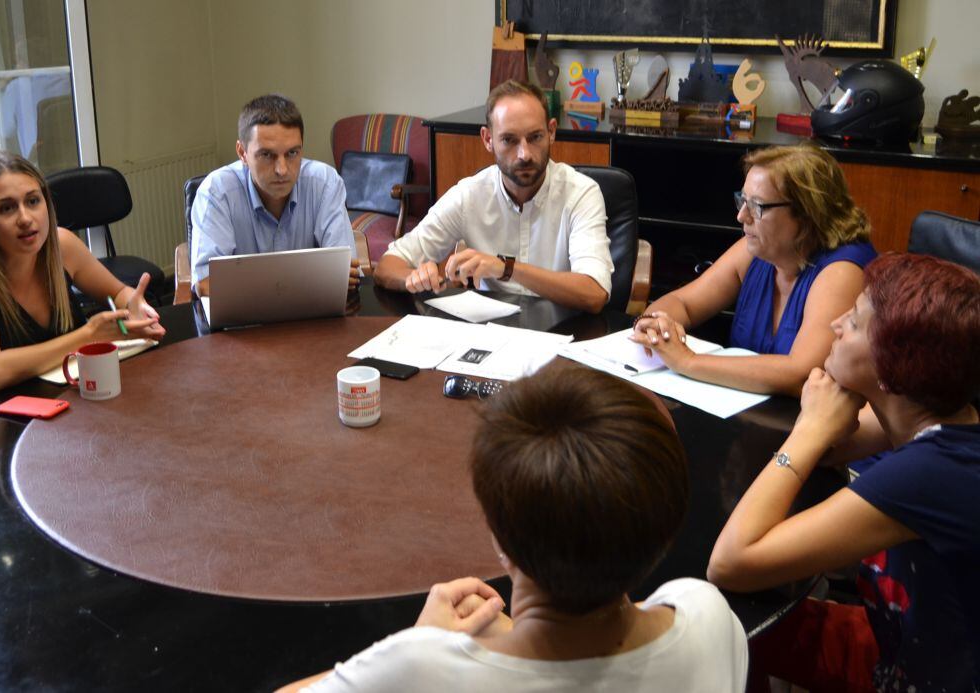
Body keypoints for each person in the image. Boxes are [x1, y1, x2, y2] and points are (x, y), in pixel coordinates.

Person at [280, 364, 747, 692]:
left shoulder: (418, 670)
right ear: (666, 528)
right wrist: (514, 632)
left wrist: (421, 640)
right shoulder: (709, 615)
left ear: (499, 539)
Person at [708, 253, 980, 691]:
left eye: (853, 322)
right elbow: (830, 452)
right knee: (730, 626)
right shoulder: (939, 414)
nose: (835, 324)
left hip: (924, 671)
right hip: (908, 633)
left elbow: (731, 562)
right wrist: (819, 427)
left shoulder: (930, 473)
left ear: (894, 371)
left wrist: (811, 428)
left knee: (722, 622)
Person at [631, 144, 876, 395]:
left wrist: (687, 361)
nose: (741, 216)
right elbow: (683, 302)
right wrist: (655, 324)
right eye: (742, 200)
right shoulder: (757, 251)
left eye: (757, 206)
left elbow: (801, 373)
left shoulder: (842, 271)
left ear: (807, 213)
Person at [374, 80, 614, 314]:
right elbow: (388, 265)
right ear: (488, 139)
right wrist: (413, 277)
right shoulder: (469, 195)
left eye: (535, 137)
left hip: (564, 332)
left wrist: (506, 268)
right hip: (492, 334)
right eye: (509, 140)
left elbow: (594, 293)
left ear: (552, 132)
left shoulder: (581, 193)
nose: (524, 154)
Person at [0, 151, 165, 394]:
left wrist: (134, 305)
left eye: (33, 201)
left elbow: (118, 291)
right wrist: (88, 336)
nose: (25, 218)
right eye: (6, 208)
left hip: (66, 400)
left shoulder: (61, 244)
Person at [190, 94, 359, 296]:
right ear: (242, 153)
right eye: (267, 155)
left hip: (311, 319)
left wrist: (249, 282)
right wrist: (310, 277)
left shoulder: (325, 184)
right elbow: (206, 283)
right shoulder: (216, 192)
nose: (282, 170)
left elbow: (344, 273)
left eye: (292, 153)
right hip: (243, 322)